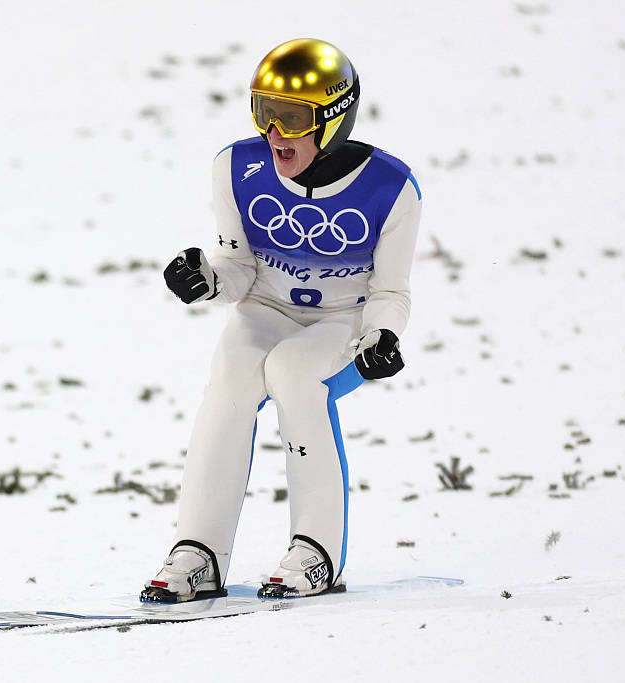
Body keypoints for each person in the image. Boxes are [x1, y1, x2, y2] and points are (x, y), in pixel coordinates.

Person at [141, 38, 422, 602]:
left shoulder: (391, 188)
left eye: (292, 119)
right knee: (232, 378)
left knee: (296, 373)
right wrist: (209, 278)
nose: (274, 135)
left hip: (342, 321)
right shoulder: (236, 167)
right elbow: (237, 265)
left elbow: (389, 290)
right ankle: (197, 551)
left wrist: (381, 336)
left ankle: (315, 551)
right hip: (266, 308)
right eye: (264, 114)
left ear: (334, 119)